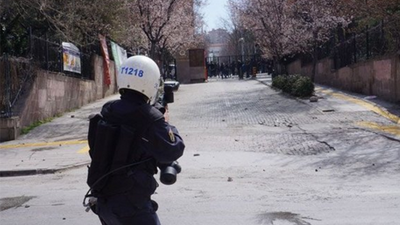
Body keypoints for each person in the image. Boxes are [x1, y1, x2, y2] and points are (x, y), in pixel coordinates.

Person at [85, 55, 185, 225]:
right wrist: (166, 122)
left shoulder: (109, 110)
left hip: (103, 200)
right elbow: (173, 149)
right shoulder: (149, 118)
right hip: (131, 207)